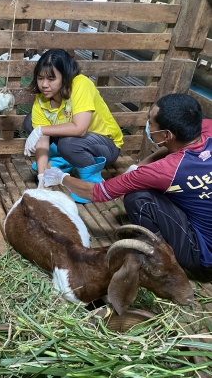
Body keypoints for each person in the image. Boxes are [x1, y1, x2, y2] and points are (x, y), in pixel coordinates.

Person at [41, 93, 212, 280]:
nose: (148, 124)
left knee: (138, 198)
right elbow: (174, 148)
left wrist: (62, 178)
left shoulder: (165, 170)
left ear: (166, 134)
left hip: (202, 255)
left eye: (151, 121)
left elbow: (97, 192)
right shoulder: (205, 127)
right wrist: (141, 165)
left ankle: (159, 260)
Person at [23, 49, 123, 203]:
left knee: (67, 142)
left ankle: (92, 181)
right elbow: (42, 140)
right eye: (40, 78)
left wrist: (41, 130)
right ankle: (64, 161)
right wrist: (42, 178)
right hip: (74, 143)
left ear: (65, 77)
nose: (44, 84)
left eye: (51, 78)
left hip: (105, 146)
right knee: (31, 121)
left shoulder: (80, 84)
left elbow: (80, 129)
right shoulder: (42, 100)